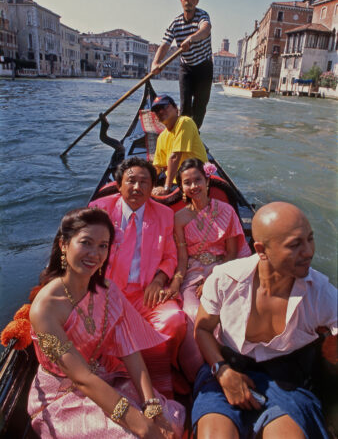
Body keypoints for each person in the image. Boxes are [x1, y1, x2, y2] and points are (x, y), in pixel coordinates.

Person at [28, 207, 185, 438]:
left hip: (105, 375)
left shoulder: (107, 290)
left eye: (103, 246)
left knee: (169, 420)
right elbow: (82, 378)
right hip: (64, 394)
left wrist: (151, 406)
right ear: (64, 245)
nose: (95, 253)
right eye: (86, 243)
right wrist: (141, 425)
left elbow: (129, 349)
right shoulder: (45, 309)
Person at [193, 201, 337, 439]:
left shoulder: (320, 290)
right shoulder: (224, 279)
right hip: (226, 367)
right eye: (295, 245)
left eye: (310, 239)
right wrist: (222, 371)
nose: (309, 251)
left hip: (287, 379)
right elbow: (203, 330)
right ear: (261, 250)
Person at [89, 157, 186, 398]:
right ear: (119, 184)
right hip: (106, 291)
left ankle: (158, 369)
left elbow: (171, 256)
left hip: (145, 292)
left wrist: (159, 279)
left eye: (144, 182)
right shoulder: (99, 210)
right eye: (130, 181)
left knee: (174, 320)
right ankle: (123, 372)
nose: (137, 187)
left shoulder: (164, 214)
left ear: (153, 187)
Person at [162, 158, 251, 382]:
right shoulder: (179, 218)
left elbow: (231, 253)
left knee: (227, 311)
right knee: (192, 314)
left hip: (223, 269)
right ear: (181, 187)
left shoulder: (227, 211)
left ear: (207, 181)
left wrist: (213, 280)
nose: (193, 187)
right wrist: (177, 281)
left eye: (197, 180)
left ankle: (232, 362)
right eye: (187, 182)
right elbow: (182, 257)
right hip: (192, 273)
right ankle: (199, 372)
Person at [151, 0, 213, 130]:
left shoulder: (202, 16)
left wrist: (191, 39)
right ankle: (182, 135)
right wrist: (155, 63)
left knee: (199, 107)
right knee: (185, 106)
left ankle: (194, 135)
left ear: (197, 1)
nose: (189, 1)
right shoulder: (176, 22)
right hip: (186, 67)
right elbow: (165, 44)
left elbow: (206, 29)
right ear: (181, 0)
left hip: (204, 67)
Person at [151, 95, 208, 196]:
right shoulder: (161, 137)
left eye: (164, 107)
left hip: (192, 180)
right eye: (156, 110)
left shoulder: (184, 122)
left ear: (176, 109)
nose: (160, 111)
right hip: (175, 180)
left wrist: (166, 188)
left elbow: (174, 157)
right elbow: (157, 167)